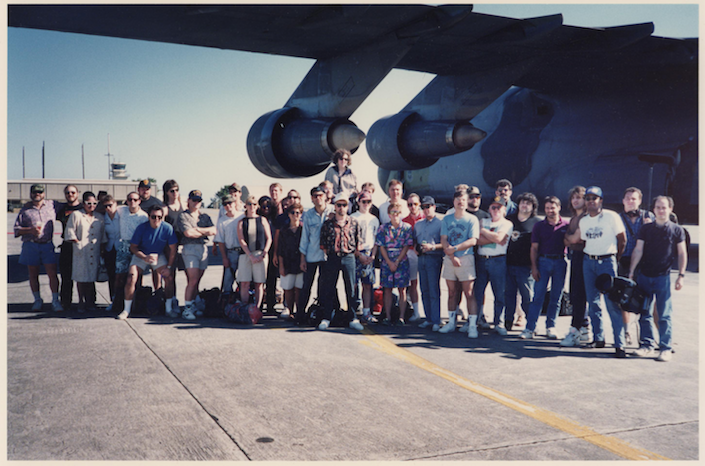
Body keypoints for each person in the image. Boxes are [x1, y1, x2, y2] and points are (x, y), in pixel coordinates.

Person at [565, 186, 627, 358]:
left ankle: (619, 344)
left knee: (612, 304)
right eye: (589, 198)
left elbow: (622, 240)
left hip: (607, 261)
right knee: (593, 303)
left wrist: (614, 258)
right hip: (588, 262)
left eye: (595, 198)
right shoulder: (584, 221)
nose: (591, 201)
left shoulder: (611, 216)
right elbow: (578, 240)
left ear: (601, 200)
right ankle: (598, 339)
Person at [628, 196, 687, 362]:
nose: (661, 210)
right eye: (658, 207)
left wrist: (681, 276)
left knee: (664, 314)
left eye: (664, 207)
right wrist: (632, 271)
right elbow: (638, 250)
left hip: (663, 278)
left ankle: (665, 348)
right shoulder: (645, 229)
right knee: (644, 312)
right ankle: (646, 345)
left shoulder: (677, 230)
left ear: (670, 209)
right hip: (644, 276)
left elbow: (682, 253)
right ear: (653, 210)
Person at [520, 196, 569, 339]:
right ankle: (530, 328)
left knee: (556, 296)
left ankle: (551, 326)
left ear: (559, 208)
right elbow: (534, 248)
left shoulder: (566, 225)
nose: (550, 210)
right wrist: (534, 267)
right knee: (538, 297)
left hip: (560, 261)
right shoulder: (539, 226)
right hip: (543, 262)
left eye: (553, 207)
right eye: (547, 208)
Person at [118, 205, 178, 320]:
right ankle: (126, 310)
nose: (156, 220)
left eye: (159, 217)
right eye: (153, 217)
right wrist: (144, 257)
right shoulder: (141, 228)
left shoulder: (167, 228)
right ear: (149, 217)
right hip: (142, 254)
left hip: (158, 255)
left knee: (169, 277)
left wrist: (169, 267)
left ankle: (168, 309)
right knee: (131, 277)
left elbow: (173, 249)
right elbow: (133, 247)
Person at [318, 192, 364, 331]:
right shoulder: (328, 224)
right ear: (335, 207)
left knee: (350, 289)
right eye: (339, 205)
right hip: (333, 257)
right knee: (329, 288)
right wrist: (332, 253)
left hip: (349, 257)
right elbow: (323, 243)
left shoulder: (354, 222)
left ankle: (353, 317)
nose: (341, 208)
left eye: (344, 205)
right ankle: (326, 317)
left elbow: (358, 242)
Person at [13, 184, 63, 311]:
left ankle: (55, 300)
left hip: (47, 245)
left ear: (44, 194)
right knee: (33, 274)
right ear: (30, 194)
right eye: (35, 192)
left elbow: (70, 206)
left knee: (52, 273)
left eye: (40, 192)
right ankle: (37, 300)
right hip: (31, 245)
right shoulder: (25, 209)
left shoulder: (52, 205)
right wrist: (30, 230)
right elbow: (17, 230)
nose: (37, 194)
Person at [439, 190, 480, 337]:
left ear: (467, 201)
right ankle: (451, 323)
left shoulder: (472, 219)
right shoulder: (447, 219)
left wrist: (454, 249)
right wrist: (451, 255)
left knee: (469, 293)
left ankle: (472, 325)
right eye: (457, 199)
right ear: (454, 201)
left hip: (466, 259)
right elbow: (444, 238)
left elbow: (473, 240)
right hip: (450, 260)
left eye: (463, 199)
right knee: (451, 293)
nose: (460, 202)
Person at [618, 187, 654, 345]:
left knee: (646, 300)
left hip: (644, 262)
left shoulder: (649, 216)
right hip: (623, 261)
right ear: (623, 201)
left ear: (639, 201)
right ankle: (626, 331)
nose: (631, 201)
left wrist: (650, 226)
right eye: (628, 198)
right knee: (623, 298)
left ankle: (650, 337)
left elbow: (657, 239)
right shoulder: (617, 218)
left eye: (634, 199)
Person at [474, 196, 513, 335]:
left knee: (499, 294)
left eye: (499, 207)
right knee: (477, 292)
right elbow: (476, 240)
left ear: (504, 209)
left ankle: (499, 322)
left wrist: (484, 231)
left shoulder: (507, 223)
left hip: (498, 260)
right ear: (489, 209)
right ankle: (474, 320)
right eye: (493, 207)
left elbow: (499, 238)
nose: (496, 210)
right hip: (482, 259)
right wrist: (493, 236)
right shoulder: (482, 220)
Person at [177, 190, 216, 320]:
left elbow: (213, 230)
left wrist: (197, 230)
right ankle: (187, 308)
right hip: (189, 248)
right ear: (188, 200)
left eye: (198, 200)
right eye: (194, 200)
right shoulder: (184, 216)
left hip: (203, 249)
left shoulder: (205, 216)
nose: (196, 203)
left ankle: (193, 303)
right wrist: (204, 231)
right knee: (192, 280)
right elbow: (188, 233)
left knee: (197, 280)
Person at [297, 186, 334, 325]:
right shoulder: (308, 215)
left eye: (320, 195)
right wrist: (302, 258)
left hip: (327, 256)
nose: (318, 198)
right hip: (311, 255)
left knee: (324, 287)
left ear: (325, 196)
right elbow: (304, 238)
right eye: (315, 196)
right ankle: (300, 316)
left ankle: (322, 315)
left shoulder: (332, 211)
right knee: (306, 286)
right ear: (312, 199)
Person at [560, 186, 591, 347]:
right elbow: (570, 240)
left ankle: (575, 329)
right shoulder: (573, 219)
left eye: (579, 197)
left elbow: (574, 240)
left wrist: (568, 238)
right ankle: (584, 328)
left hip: (585, 258)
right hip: (575, 258)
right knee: (574, 294)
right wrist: (570, 238)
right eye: (573, 198)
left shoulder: (586, 218)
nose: (575, 200)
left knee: (580, 295)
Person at [64, 192, 106, 313]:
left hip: (95, 250)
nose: (91, 206)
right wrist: (77, 242)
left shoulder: (99, 217)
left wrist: (102, 250)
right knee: (81, 277)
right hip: (81, 251)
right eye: (89, 203)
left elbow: (103, 235)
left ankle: (90, 302)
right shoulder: (76, 215)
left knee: (91, 277)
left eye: (94, 203)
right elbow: (70, 231)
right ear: (83, 203)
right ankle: (81, 302)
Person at [504, 192, 539, 330]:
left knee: (527, 297)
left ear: (533, 207)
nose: (524, 205)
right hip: (508, 264)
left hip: (525, 267)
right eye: (523, 202)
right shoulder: (509, 219)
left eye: (528, 203)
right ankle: (507, 322)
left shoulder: (536, 222)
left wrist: (535, 265)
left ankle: (531, 325)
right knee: (509, 295)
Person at [376, 201, 414, 326]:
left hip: (401, 261)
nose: (395, 215)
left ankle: (401, 317)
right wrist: (389, 262)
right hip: (387, 260)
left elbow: (406, 246)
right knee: (387, 289)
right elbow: (381, 246)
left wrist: (397, 261)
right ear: (389, 214)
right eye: (393, 213)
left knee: (402, 290)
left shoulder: (406, 228)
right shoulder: (383, 228)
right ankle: (387, 316)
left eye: (397, 213)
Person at [112, 192, 149, 313]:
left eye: (135, 199)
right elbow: (109, 206)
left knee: (134, 276)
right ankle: (116, 302)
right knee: (119, 276)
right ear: (126, 201)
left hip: (137, 246)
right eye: (129, 199)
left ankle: (135, 304)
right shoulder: (122, 210)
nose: (132, 202)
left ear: (139, 201)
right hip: (123, 245)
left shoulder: (143, 216)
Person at [237, 195, 272, 311]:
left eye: (254, 204)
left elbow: (269, 238)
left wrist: (264, 253)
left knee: (259, 283)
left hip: (260, 254)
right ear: (246, 206)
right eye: (249, 204)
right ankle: (245, 308)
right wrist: (250, 255)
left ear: (257, 206)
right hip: (246, 255)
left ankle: (257, 308)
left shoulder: (262, 220)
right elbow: (241, 240)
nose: (252, 206)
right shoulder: (242, 222)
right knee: (244, 283)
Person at [414, 196, 444, 331]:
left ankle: (436, 320)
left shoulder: (441, 223)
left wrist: (433, 247)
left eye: (429, 206)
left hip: (434, 258)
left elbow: (444, 243)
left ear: (434, 207)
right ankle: (428, 318)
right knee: (424, 289)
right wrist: (416, 249)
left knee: (433, 290)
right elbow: (415, 241)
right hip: (422, 258)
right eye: (424, 207)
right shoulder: (418, 224)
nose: (426, 209)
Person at [350, 190, 379, 324]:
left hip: (369, 253)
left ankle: (366, 312)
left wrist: (372, 256)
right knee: (353, 285)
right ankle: (352, 311)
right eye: (364, 201)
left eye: (369, 202)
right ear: (359, 202)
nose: (366, 204)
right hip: (356, 253)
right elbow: (350, 240)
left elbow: (376, 240)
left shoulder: (374, 219)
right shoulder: (353, 218)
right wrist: (358, 254)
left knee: (368, 285)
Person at [277, 201, 304, 320]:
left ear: (301, 214)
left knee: (298, 288)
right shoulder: (284, 230)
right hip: (287, 262)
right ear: (288, 214)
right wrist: (281, 266)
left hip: (300, 262)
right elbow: (280, 249)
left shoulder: (304, 229)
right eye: (292, 212)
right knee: (288, 288)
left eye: (297, 213)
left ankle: (299, 312)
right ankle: (289, 310)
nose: (295, 215)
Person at [56, 184, 82, 309]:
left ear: (77, 193)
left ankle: (87, 301)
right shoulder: (61, 209)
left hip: (82, 245)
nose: (70, 195)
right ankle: (66, 301)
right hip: (67, 245)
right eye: (67, 193)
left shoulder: (84, 207)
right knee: (66, 275)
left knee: (84, 275)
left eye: (72, 192)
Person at [215, 194, 246, 296]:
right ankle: (227, 303)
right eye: (225, 204)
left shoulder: (243, 216)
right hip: (231, 252)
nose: (228, 206)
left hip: (244, 252)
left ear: (235, 203)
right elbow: (221, 241)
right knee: (228, 280)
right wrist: (224, 257)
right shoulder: (221, 220)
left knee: (245, 279)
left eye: (230, 203)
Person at [402, 193, 424, 322]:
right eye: (410, 204)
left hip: (426, 254)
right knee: (413, 284)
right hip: (411, 254)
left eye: (415, 204)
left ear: (419, 204)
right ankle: (416, 312)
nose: (412, 207)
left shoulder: (425, 217)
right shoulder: (405, 221)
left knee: (428, 284)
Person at [101, 195, 120, 310]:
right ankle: (113, 300)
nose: (108, 208)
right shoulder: (104, 218)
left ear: (115, 204)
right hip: (109, 250)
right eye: (105, 206)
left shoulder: (122, 215)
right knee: (112, 276)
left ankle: (123, 300)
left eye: (110, 205)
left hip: (121, 249)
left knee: (122, 276)